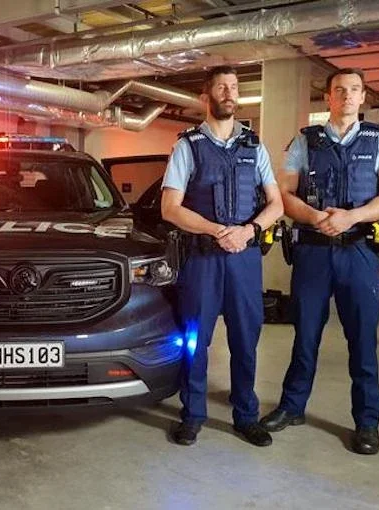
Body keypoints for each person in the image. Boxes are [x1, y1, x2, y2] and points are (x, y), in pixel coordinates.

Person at [259, 68, 379, 455]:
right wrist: (315, 218)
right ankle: (293, 407)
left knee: (362, 340)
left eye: (354, 90)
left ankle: (367, 422)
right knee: (305, 334)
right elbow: (284, 194)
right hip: (313, 251)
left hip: (358, 252)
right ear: (328, 98)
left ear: (363, 97)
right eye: (339, 90)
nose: (347, 96)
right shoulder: (305, 141)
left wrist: (351, 218)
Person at [160, 66, 284, 447]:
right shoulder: (188, 145)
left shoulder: (254, 146)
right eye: (221, 87)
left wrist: (249, 231)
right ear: (206, 96)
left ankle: (246, 415)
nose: (230, 93)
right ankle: (193, 414)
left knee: (247, 339)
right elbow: (170, 208)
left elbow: (276, 204)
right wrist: (216, 230)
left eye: (234, 87)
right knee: (196, 340)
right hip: (202, 260)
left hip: (244, 258)